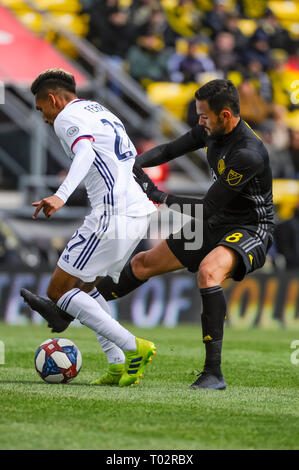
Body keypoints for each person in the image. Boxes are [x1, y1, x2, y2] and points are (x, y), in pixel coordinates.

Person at [23, 79, 275, 391]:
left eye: (204, 116)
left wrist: (159, 194)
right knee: (142, 264)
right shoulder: (210, 131)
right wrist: (127, 166)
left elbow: (208, 207)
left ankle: (213, 373)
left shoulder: (248, 153)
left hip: (249, 227)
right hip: (214, 222)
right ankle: (70, 308)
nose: (199, 122)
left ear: (226, 115)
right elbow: (168, 150)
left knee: (209, 273)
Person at [21, 68, 157, 387]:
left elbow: (84, 151)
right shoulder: (98, 109)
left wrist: (60, 195)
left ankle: (133, 346)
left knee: (58, 291)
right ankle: (118, 365)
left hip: (111, 213)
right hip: (135, 211)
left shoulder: (67, 117)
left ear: (53, 99)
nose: (44, 118)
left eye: (42, 109)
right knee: (84, 287)